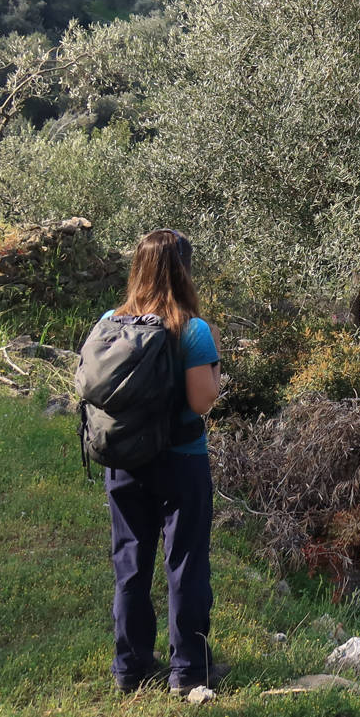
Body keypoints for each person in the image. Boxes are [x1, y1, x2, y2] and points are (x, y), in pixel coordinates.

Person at [101, 228, 226, 696]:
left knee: (130, 565)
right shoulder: (193, 331)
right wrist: (215, 368)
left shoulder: (109, 322)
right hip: (181, 463)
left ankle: (130, 670)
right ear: (184, 271)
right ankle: (188, 671)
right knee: (186, 565)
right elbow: (201, 401)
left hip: (124, 461)